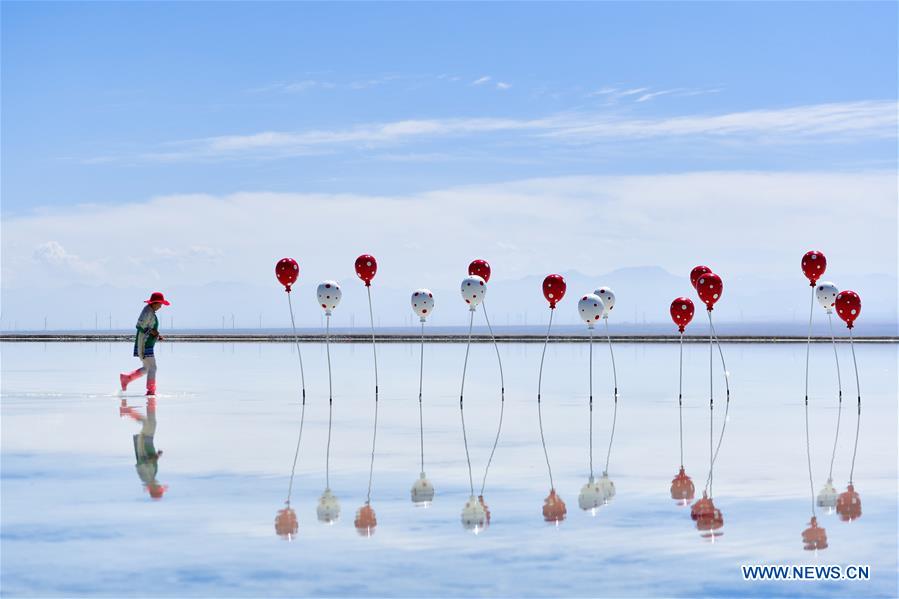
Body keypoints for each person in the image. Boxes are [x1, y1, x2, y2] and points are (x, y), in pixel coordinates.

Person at [120, 291, 170, 396]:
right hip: (145, 344)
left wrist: (156, 335)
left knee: (147, 368)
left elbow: (149, 326)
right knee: (153, 368)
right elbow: (139, 326)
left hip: (147, 343)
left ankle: (126, 378)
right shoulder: (148, 311)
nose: (161, 306)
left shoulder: (150, 311)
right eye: (160, 304)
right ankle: (150, 391)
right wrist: (152, 332)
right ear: (155, 303)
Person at [120, 396, 167, 499]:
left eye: (158, 487)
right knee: (152, 422)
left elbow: (142, 462)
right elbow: (151, 461)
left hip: (144, 445)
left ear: (154, 489)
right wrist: (156, 457)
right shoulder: (152, 477)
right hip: (149, 443)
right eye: (160, 487)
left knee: (147, 422)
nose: (159, 484)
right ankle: (150, 403)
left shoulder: (145, 477)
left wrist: (155, 457)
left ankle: (126, 411)